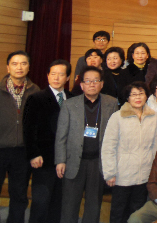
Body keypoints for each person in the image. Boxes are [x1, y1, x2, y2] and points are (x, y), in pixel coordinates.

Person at [55, 66, 118, 222]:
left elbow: (116, 136)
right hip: (74, 161)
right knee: (69, 204)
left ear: (101, 84)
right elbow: (61, 135)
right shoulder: (69, 104)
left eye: (96, 81)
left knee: (94, 205)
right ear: (81, 85)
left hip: (98, 162)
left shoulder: (111, 103)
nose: (92, 84)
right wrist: (60, 160)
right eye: (88, 81)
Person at [102, 81, 157, 223]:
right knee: (118, 213)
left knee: (137, 213)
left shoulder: (153, 117)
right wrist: (110, 172)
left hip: (144, 174)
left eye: (141, 93)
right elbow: (108, 147)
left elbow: (156, 146)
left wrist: (155, 172)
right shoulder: (117, 117)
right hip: (122, 175)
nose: (138, 97)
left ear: (146, 96)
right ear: (127, 98)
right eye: (133, 94)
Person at [23, 59, 72, 223]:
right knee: (41, 202)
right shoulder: (36, 98)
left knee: (58, 202)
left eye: (61, 74)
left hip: (66, 159)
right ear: (47, 76)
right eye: (53, 74)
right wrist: (33, 154)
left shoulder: (73, 99)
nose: (56, 78)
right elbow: (29, 128)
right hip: (44, 159)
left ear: (67, 78)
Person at [0, 51, 38, 223]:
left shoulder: (36, 92)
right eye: (14, 64)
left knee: (19, 194)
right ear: (8, 67)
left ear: (29, 67)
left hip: (23, 151)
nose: (19, 67)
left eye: (23, 63)